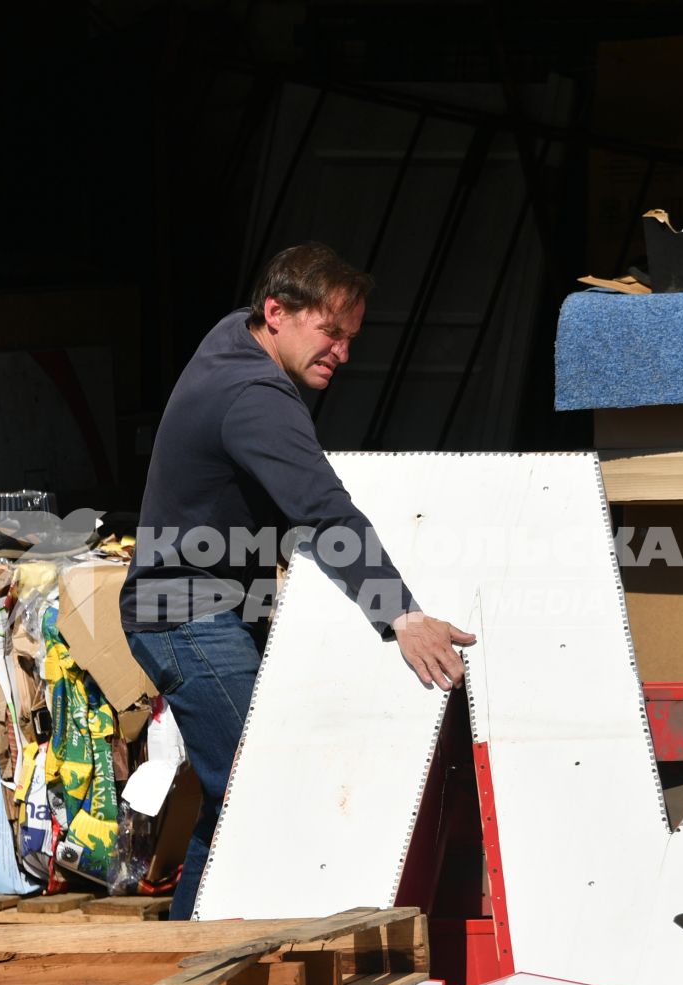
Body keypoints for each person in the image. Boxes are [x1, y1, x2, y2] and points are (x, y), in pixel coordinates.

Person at [119, 242, 476, 920]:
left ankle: (185, 943)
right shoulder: (253, 394)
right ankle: (198, 953)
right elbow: (322, 510)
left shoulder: (236, 337)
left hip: (210, 603)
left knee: (235, 795)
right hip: (187, 614)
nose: (342, 352)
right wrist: (400, 614)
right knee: (256, 790)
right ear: (277, 312)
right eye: (331, 332)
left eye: (350, 338)